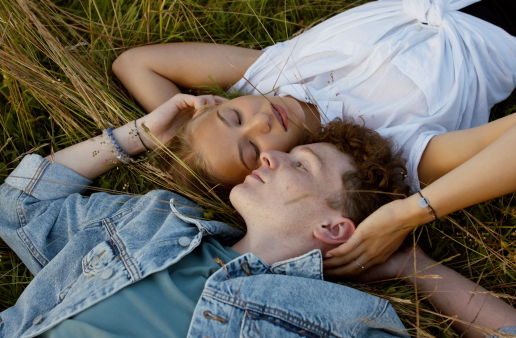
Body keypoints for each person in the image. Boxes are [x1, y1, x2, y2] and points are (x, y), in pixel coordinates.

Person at [0, 95, 516, 337]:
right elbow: (21, 206)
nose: (269, 153)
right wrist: (139, 135)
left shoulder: (344, 314)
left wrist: (411, 262)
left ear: (334, 227)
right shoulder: (156, 220)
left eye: (300, 161)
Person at [112, 0, 516, 273]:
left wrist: (185, 131)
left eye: (234, 116)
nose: (261, 122)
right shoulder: (384, 150)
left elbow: (135, 63)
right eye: (252, 150)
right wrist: (408, 212)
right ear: (271, 168)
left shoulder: (267, 74)